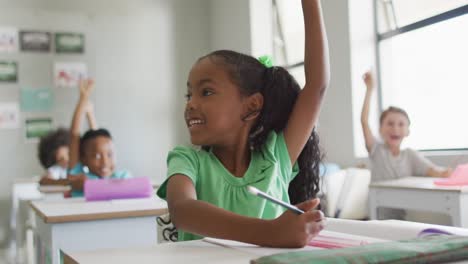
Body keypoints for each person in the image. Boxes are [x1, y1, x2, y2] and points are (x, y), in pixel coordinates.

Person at [157, 0, 329, 248]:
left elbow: (317, 86)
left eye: (205, 93)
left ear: (251, 106)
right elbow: (183, 211)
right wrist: (271, 232)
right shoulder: (187, 160)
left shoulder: (276, 156)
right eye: (188, 95)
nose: (190, 104)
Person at [360, 70, 451, 219]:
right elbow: (364, 121)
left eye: (401, 124)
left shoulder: (410, 155)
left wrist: (446, 173)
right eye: (390, 123)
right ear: (380, 129)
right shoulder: (376, 150)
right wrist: (370, 89)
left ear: (408, 131)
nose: (395, 128)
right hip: (377, 215)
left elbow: (433, 170)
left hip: (400, 217)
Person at [67, 79, 131, 197]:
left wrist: (90, 114)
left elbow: (97, 143)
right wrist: (83, 98)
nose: (105, 162)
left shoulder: (121, 177)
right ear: (83, 158)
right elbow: (74, 136)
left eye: (110, 155)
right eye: (96, 156)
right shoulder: (79, 179)